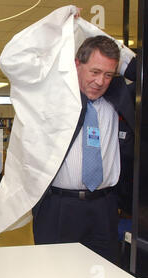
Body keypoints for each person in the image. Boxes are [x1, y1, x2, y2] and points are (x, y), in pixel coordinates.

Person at [32, 35, 136, 264]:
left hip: (104, 207)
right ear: (77, 64)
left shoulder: (118, 99)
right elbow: (16, 61)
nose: (100, 81)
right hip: (59, 206)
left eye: (109, 75)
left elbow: (139, 72)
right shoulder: (53, 99)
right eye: (95, 72)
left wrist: (120, 49)